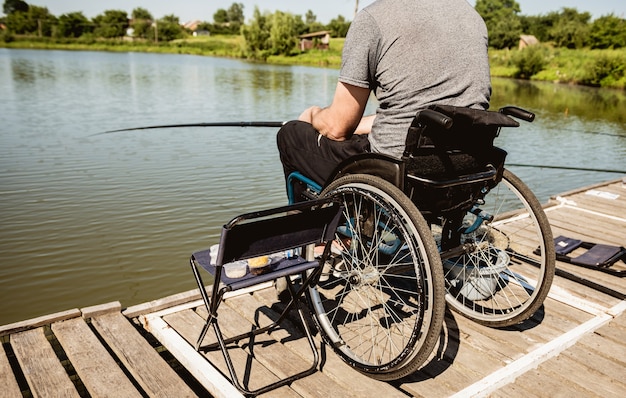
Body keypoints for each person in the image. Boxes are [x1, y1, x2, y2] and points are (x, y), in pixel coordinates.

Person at [277, 0, 492, 200]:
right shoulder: (472, 17)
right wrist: (363, 124)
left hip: (398, 174)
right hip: (467, 167)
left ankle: (316, 234)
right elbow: (425, 106)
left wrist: (312, 115)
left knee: (291, 135)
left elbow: (337, 128)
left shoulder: (373, 19)